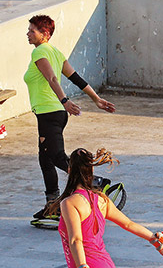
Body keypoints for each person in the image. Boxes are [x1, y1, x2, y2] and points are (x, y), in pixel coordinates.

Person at [24, 14, 116, 227]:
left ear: (45, 34)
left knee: (56, 156)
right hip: (52, 113)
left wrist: (64, 100)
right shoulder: (56, 53)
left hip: (50, 112)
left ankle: (95, 183)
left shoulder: (40, 51)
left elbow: (52, 78)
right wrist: (96, 99)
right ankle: (52, 205)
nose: (28, 34)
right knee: (45, 159)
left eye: (32, 30)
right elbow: (76, 78)